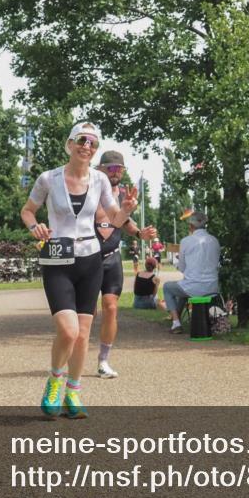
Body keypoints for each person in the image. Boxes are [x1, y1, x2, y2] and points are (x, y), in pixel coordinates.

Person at [20, 122, 139, 419]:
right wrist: (35, 227)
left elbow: (113, 218)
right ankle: (55, 380)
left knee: (83, 334)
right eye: (82, 141)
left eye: (93, 144)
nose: (87, 147)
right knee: (68, 330)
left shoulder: (99, 180)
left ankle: (73, 391)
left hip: (90, 260)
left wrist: (126, 209)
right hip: (58, 260)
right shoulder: (48, 178)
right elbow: (27, 210)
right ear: (70, 144)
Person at [92, 150, 158, 379]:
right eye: (110, 168)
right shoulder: (89, 190)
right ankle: (72, 354)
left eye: (119, 169)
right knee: (86, 313)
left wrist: (140, 234)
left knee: (111, 307)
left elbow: (126, 222)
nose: (115, 173)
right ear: (99, 169)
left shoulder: (122, 195)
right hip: (88, 258)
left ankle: (103, 360)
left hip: (111, 256)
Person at [163, 211, 220, 333]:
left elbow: (182, 268)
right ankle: (176, 317)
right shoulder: (215, 240)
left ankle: (176, 322)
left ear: (191, 226)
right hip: (213, 287)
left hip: (194, 287)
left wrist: (178, 264)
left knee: (168, 287)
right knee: (184, 288)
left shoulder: (186, 241)